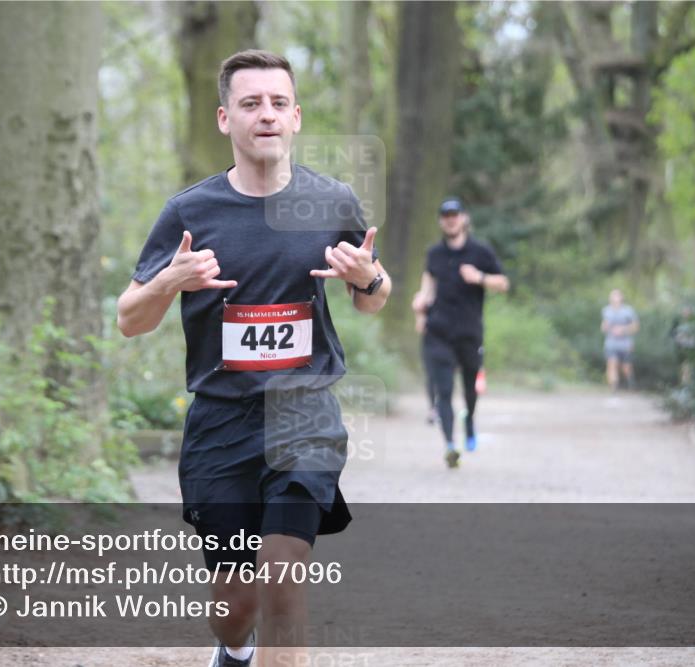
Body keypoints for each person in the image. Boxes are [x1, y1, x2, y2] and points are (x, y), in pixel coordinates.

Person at [116, 50, 391, 667]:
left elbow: (374, 299)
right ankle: (231, 651)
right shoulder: (190, 213)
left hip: (305, 418)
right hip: (221, 424)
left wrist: (369, 278)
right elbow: (129, 318)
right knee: (233, 606)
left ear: (295, 117)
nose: (264, 115)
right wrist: (170, 282)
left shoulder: (332, 201)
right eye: (250, 103)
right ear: (224, 119)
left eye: (276, 103)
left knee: (282, 582)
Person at [412, 198, 508, 468]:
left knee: (469, 390)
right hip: (438, 332)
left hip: (469, 333)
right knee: (443, 390)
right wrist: (420, 307)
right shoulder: (434, 254)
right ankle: (450, 446)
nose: (450, 219)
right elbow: (427, 286)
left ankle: (469, 422)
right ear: (441, 221)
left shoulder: (481, 252)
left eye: (454, 215)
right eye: (445, 216)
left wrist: (479, 278)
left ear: (464, 218)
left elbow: (503, 282)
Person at [601, 288, 640, 390]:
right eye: (612, 296)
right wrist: (606, 327)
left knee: (626, 368)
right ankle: (613, 387)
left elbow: (636, 327)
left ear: (621, 298)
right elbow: (603, 326)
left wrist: (623, 329)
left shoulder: (628, 311)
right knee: (611, 363)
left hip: (625, 344)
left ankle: (631, 383)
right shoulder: (606, 310)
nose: (614, 298)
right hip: (611, 343)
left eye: (617, 296)